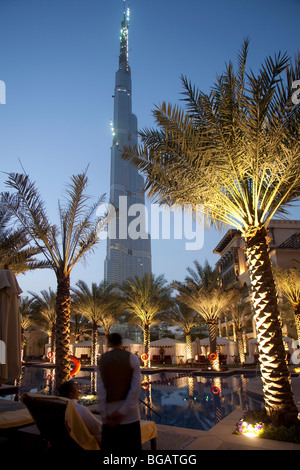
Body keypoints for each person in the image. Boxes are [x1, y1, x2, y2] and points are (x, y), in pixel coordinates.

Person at [98, 332, 142, 451]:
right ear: (121, 343)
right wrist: (123, 412)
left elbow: (101, 390)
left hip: (109, 415)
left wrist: (104, 415)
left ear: (108, 343)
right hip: (130, 416)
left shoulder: (102, 360)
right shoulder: (132, 358)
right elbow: (136, 388)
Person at [58, 380, 102, 447]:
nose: (79, 392)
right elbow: (97, 427)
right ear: (71, 394)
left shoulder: (60, 407)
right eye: (77, 390)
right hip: (86, 444)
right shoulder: (80, 409)